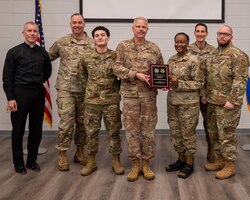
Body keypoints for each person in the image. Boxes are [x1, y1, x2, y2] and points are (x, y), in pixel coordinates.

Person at [113, 17, 164, 181]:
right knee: (132, 130)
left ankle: (146, 163)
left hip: (149, 96)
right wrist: (136, 74)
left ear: (147, 30)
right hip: (130, 96)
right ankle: (135, 164)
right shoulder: (122, 46)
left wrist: (163, 82)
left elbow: (161, 69)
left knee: (148, 131)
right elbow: (116, 67)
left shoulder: (154, 48)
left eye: (144, 27)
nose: (141, 29)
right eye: (138, 26)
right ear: (133, 28)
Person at [2, 21, 52, 174]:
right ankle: (18, 164)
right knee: (18, 130)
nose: (32, 33)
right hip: (19, 94)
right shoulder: (13, 52)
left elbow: (47, 72)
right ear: (23, 33)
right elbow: (7, 78)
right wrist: (11, 98)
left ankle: (32, 161)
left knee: (36, 129)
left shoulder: (43, 53)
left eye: (34, 31)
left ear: (37, 34)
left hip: (37, 92)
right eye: (29, 31)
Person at [202, 25, 249, 179]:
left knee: (227, 135)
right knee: (214, 134)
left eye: (225, 34)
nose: (222, 36)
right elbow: (207, 78)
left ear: (231, 36)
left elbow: (240, 80)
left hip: (227, 105)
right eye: (219, 34)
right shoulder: (212, 55)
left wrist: (233, 100)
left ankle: (230, 165)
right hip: (212, 102)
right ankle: (220, 159)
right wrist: (204, 95)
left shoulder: (238, 56)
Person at [49, 13, 94, 171]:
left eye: (79, 22)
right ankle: (62, 154)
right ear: (70, 24)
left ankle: (79, 152)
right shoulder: (62, 42)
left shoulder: (92, 43)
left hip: (85, 90)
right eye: (74, 22)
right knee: (66, 123)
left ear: (84, 24)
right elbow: (46, 58)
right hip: (66, 89)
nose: (77, 25)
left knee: (83, 123)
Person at [79, 26, 124, 176]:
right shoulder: (86, 57)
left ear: (108, 37)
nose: (100, 37)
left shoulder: (115, 56)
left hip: (111, 100)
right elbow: (82, 76)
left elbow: (120, 77)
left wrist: (115, 92)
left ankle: (116, 160)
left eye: (103, 35)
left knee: (114, 132)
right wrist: (91, 91)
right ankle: (91, 161)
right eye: (97, 35)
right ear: (93, 39)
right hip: (92, 101)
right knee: (91, 132)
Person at [165, 32, 203, 179]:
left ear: (188, 43)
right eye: (177, 42)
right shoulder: (171, 59)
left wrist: (178, 83)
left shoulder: (194, 60)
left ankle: (189, 163)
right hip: (173, 102)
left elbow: (199, 83)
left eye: (182, 42)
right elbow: (168, 79)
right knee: (175, 133)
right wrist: (164, 82)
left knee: (188, 134)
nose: (179, 44)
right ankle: (180, 160)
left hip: (188, 104)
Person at [188, 23, 216, 163]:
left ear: (206, 33)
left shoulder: (213, 51)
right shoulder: (187, 49)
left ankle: (212, 153)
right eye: (197, 31)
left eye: (202, 31)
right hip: (191, 93)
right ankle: (189, 157)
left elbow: (214, 74)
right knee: (189, 126)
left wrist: (205, 93)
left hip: (208, 95)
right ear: (194, 33)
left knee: (210, 126)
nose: (200, 34)